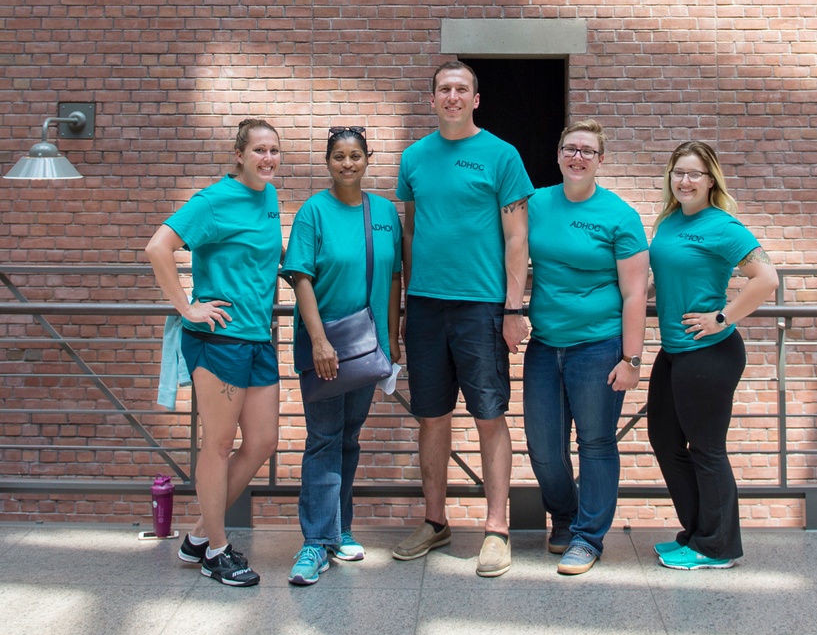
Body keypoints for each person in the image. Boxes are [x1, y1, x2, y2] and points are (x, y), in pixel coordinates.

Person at [392, 60, 534, 577]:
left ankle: (496, 529)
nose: (452, 97)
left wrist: (513, 308)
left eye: (461, 90)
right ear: (432, 100)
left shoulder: (502, 155)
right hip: (428, 306)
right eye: (443, 90)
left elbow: (518, 237)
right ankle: (435, 522)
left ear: (476, 100)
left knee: (489, 415)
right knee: (431, 416)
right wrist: (407, 302)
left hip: (482, 307)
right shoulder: (413, 158)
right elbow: (410, 234)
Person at [145, 118, 283, 587]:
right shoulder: (212, 200)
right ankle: (216, 552)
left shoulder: (270, 197)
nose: (268, 159)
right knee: (219, 446)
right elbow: (158, 247)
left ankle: (199, 536)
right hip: (218, 338)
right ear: (239, 155)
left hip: (258, 338)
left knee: (263, 441)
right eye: (259, 150)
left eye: (274, 151)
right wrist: (187, 307)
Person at [523, 120, 649, 575]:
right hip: (544, 344)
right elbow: (508, 250)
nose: (578, 157)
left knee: (595, 444)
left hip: (598, 346)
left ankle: (588, 537)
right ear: (557, 154)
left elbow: (636, 293)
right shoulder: (535, 203)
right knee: (542, 448)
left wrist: (632, 359)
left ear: (601, 160)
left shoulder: (620, 216)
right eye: (570, 148)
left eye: (587, 151)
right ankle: (566, 515)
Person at [646, 140, 778, 570]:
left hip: (710, 352)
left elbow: (766, 279)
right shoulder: (668, 222)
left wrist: (722, 317)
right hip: (674, 351)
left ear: (710, 181)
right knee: (665, 440)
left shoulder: (724, 226)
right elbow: (666, 277)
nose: (685, 181)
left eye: (695, 174)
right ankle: (696, 534)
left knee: (706, 449)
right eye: (678, 172)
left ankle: (716, 547)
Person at [282, 126, 402, 586]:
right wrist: (318, 341)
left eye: (355, 155)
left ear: (368, 158)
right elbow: (301, 278)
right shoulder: (314, 211)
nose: (347, 163)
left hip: (368, 349)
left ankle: (339, 529)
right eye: (338, 156)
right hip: (327, 347)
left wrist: (392, 342)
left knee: (349, 439)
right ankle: (314, 542)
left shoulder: (385, 212)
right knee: (324, 440)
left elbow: (394, 280)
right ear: (327, 162)